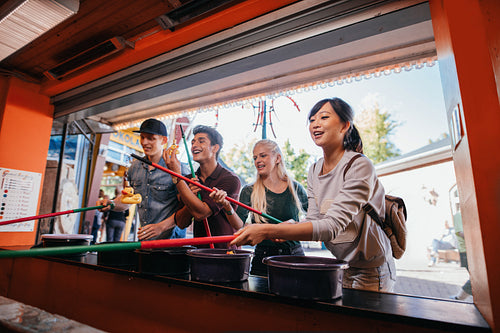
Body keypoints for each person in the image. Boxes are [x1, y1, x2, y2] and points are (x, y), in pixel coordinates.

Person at [230, 97, 396, 292]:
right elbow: (314, 219)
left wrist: (268, 230)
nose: (315, 124)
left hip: (372, 270)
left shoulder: (360, 165)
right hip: (342, 264)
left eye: (324, 117)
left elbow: (331, 227)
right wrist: (292, 225)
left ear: (344, 126)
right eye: (311, 120)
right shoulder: (314, 169)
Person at [210, 139, 308, 276]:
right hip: (263, 256)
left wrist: (294, 225)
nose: (257, 160)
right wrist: (227, 206)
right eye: (255, 157)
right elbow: (239, 225)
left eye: (263, 155)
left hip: (293, 255)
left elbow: (313, 219)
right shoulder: (249, 190)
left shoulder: (295, 188)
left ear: (277, 158)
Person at [164, 125, 241, 249]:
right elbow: (182, 223)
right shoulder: (188, 180)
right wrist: (190, 196)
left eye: (201, 141)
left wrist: (178, 177)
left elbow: (202, 213)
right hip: (200, 251)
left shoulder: (230, 179)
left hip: (225, 251)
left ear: (215, 148)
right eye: (193, 142)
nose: (194, 145)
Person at [128, 118, 190, 241]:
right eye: (142, 137)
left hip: (171, 244)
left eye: (151, 138)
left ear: (164, 140)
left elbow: (188, 209)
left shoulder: (179, 168)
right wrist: (112, 204)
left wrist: (161, 227)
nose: (144, 142)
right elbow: (128, 199)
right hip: (144, 241)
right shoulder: (134, 167)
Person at [451, 205, 472, 300]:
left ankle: (459, 297)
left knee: (477, 279)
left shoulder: (468, 216)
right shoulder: (458, 215)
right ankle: (459, 297)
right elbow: (461, 233)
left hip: (471, 251)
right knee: (477, 279)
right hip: (466, 252)